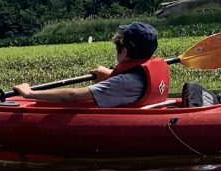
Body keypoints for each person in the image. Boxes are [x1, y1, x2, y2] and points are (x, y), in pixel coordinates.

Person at [12, 21, 170, 108]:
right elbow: (131, 84)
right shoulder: (135, 77)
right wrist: (110, 75)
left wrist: (29, 93)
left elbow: (73, 96)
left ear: (125, 51)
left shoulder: (122, 83)